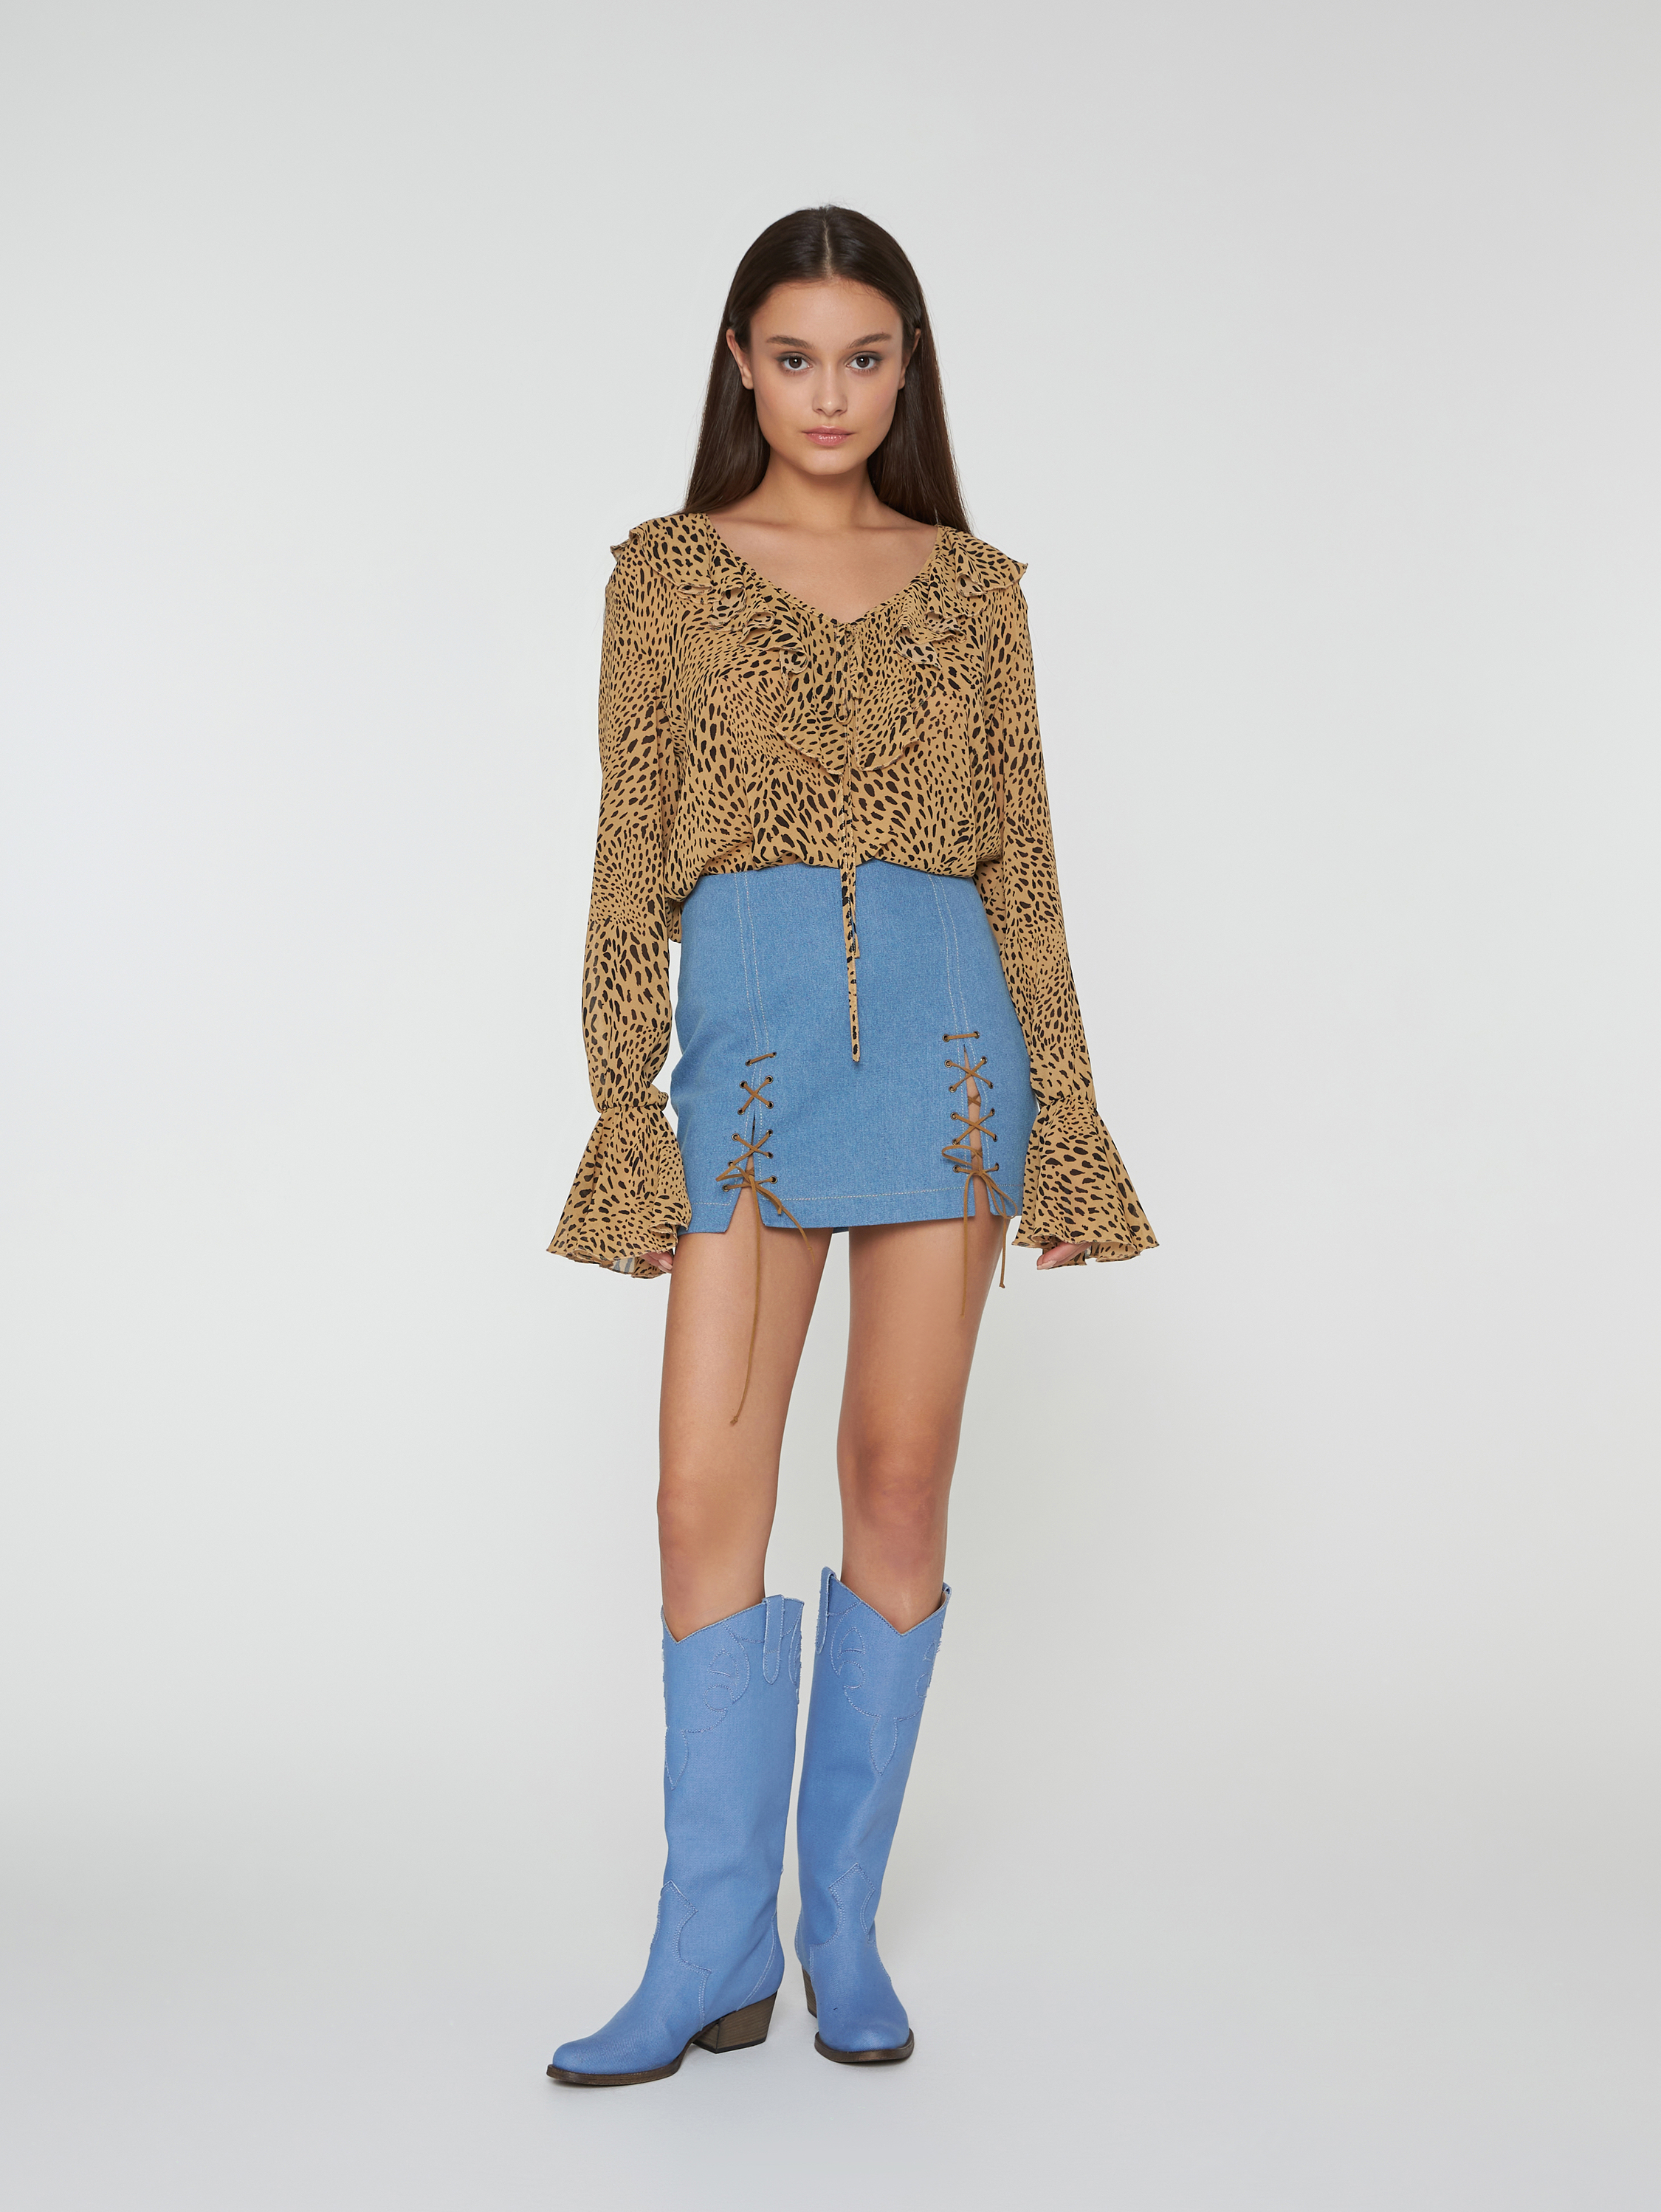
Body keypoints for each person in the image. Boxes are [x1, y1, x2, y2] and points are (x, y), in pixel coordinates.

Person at [545, 205, 1155, 2087]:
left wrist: (1076, 1125)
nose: (830, 393)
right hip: (746, 1074)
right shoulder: (664, 575)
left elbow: (1026, 875)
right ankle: (705, 1943)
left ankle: (843, 1934)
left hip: (955, 1059)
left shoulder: (975, 590)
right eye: (797, 355)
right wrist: (620, 1104)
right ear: (742, 362)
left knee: (896, 1480)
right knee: (699, 1502)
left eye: (865, 357)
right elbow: (627, 856)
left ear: (909, 370)